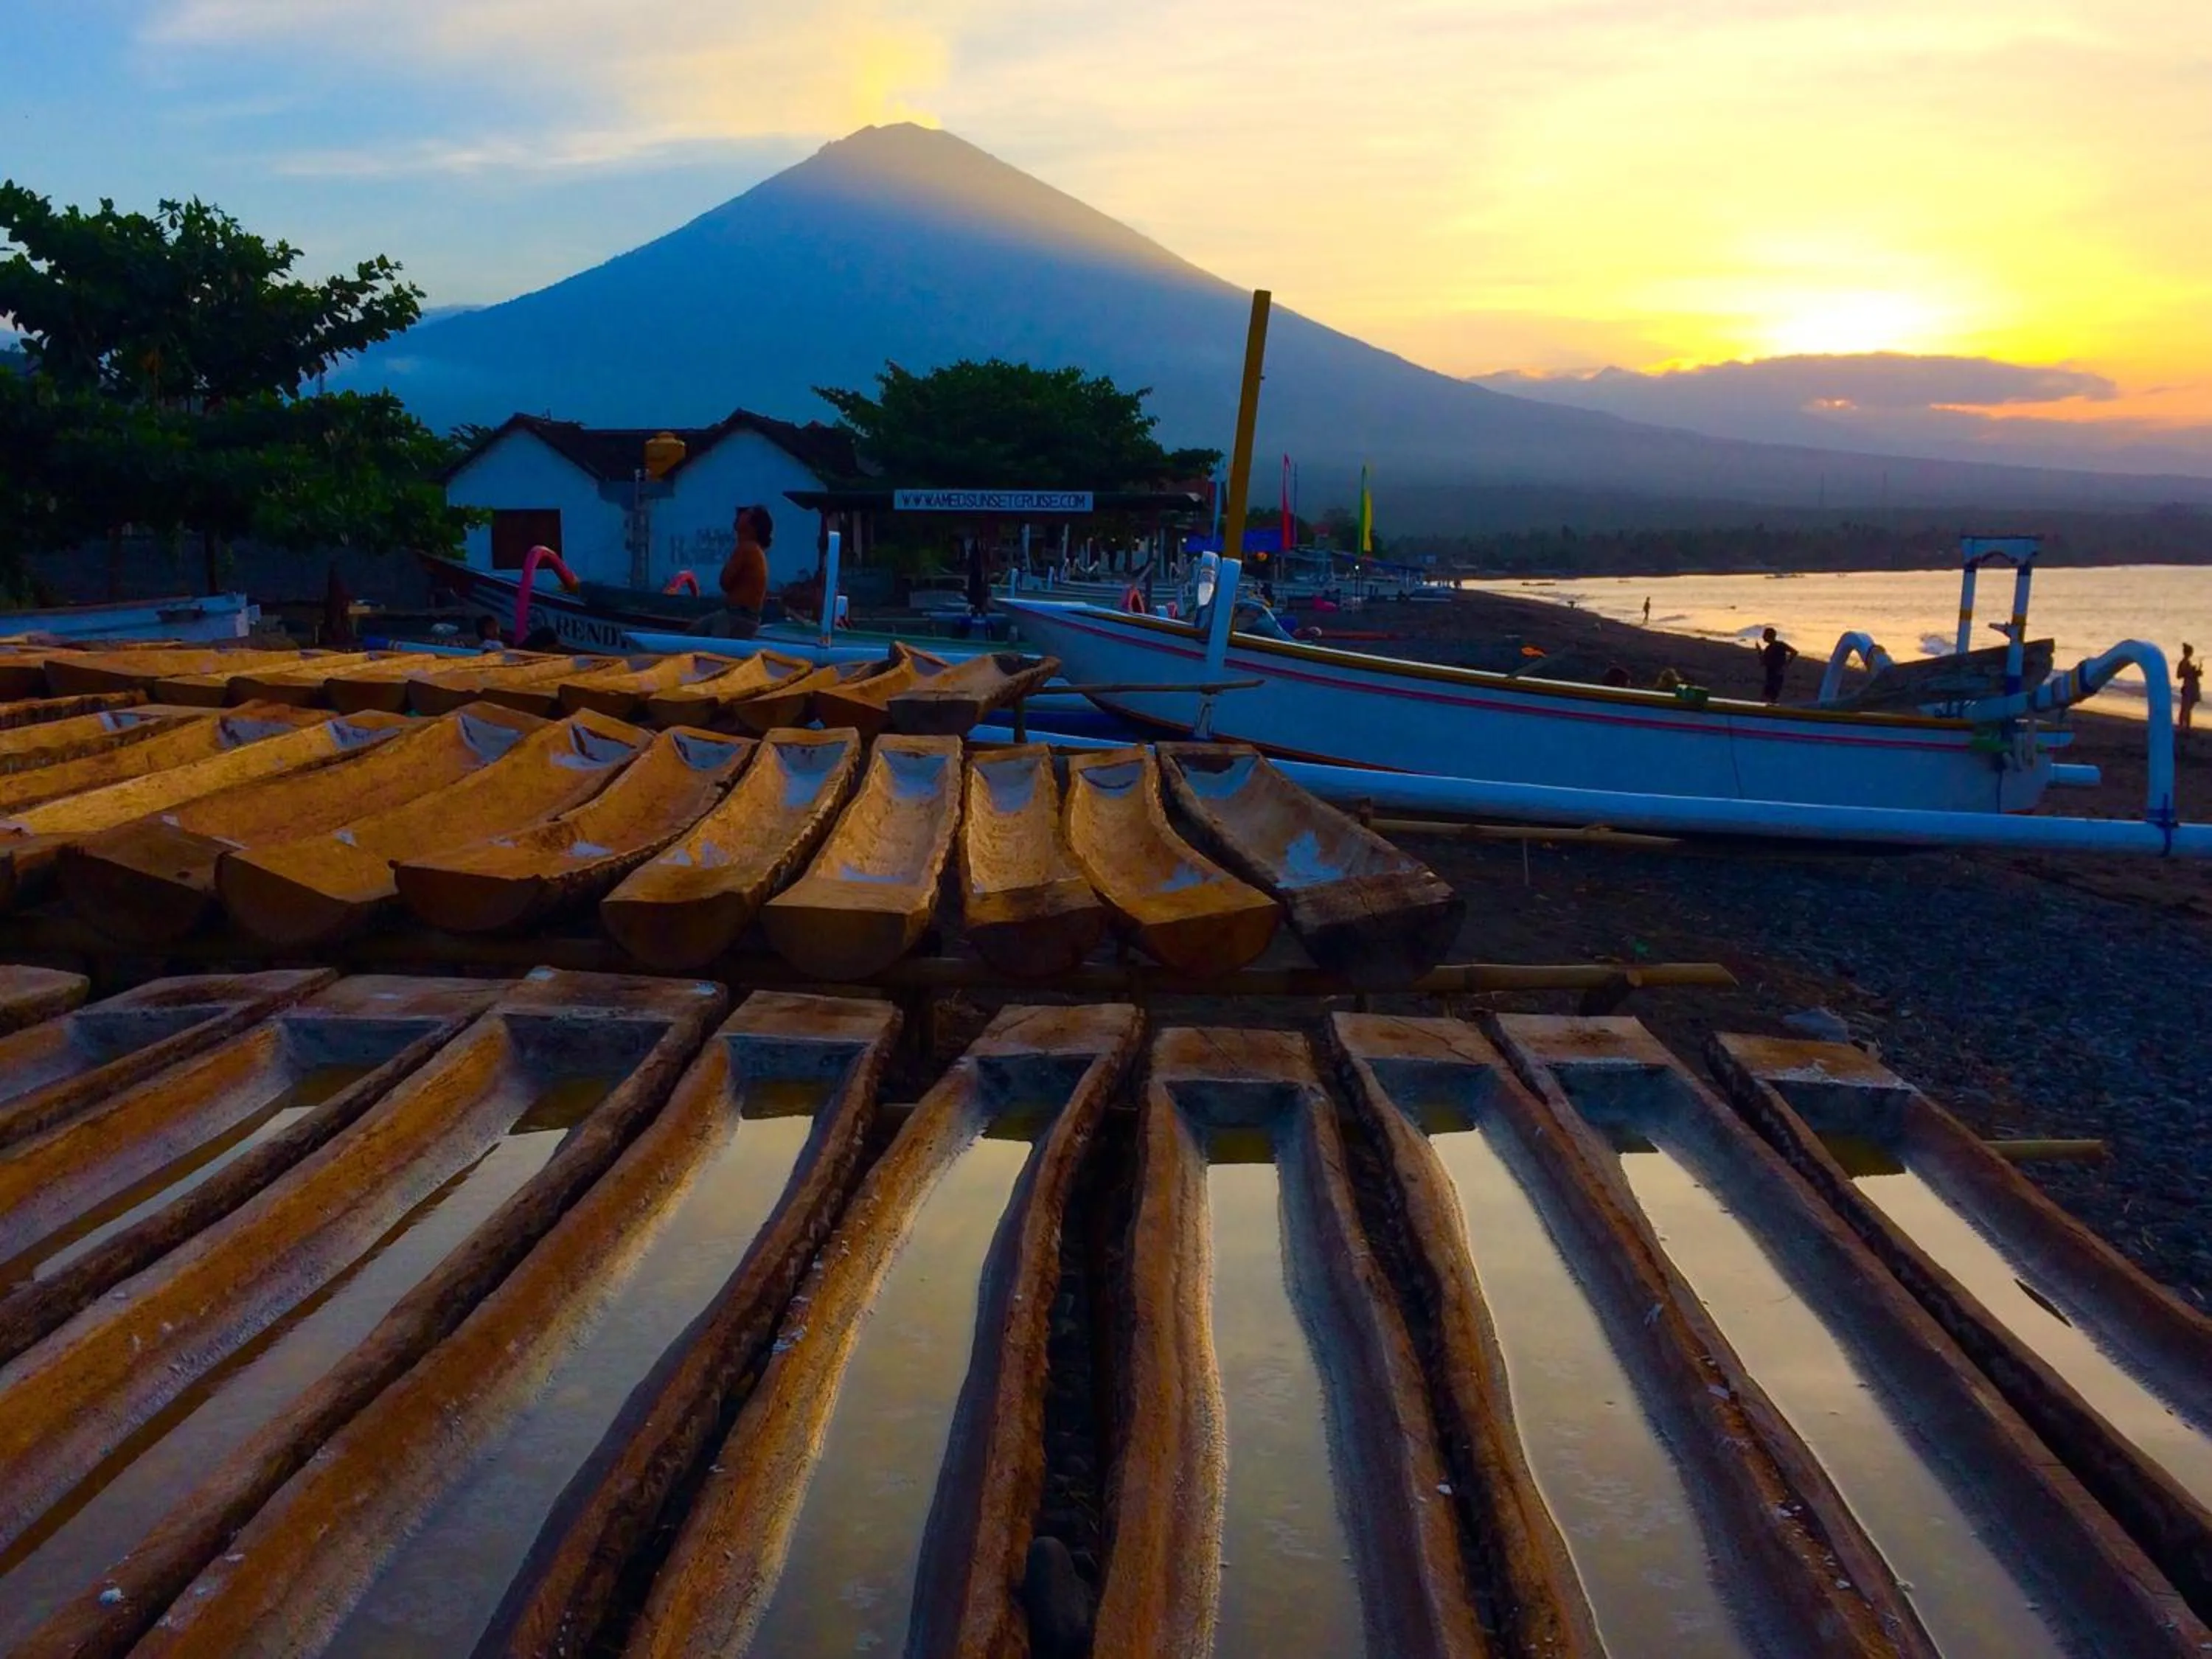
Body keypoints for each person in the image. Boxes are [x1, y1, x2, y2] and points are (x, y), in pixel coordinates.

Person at [699, 505, 771, 639]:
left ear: (752, 526)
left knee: (696, 636)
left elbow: (725, 582)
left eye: (748, 513)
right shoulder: (756, 550)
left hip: (737, 618)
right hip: (745, 617)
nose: (741, 515)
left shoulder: (747, 548)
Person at [1758, 626, 1798, 703]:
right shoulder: (1779, 645)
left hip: (1773, 674)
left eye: (1764, 635)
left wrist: (1760, 652)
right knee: (1772, 696)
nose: (1763, 637)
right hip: (1776, 673)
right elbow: (1794, 652)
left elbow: (1763, 662)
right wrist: (1786, 664)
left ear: (1768, 636)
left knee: (1768, 696)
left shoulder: (1770, 648)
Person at [2181, 642, 2203, 731]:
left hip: (2191, 687)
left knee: (2187, 708)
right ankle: (2184, 726)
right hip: (2189, 687)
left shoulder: (2186, 662)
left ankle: (2185, 726)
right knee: (2187, 708)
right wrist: (2193, 673)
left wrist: (2195, 672)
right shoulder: (2184, 663)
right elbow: (2180, 675)